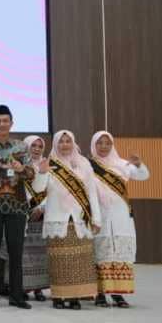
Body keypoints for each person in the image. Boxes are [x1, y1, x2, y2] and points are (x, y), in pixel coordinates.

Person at [0, 105, 48, 309]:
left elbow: (32, 176)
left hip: (17, 208)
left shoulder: (21, 148)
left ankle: (17, 296)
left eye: (5, 120)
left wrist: (21, 168)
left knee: (17, 253)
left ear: (11, 123)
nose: (1, 124)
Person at [41, 130, 100, 310]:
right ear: (56, 144)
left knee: (79, 259)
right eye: (61, 141)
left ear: (73, 143)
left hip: (80, 218)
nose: (64, 144)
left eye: (68, 141)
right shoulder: (50, 163)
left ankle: (75, 297)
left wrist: (97, 218)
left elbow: (91, 193)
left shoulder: (84, 164)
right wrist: (41, 173)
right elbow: (38, 189)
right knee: (59, 260)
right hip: (57, 218)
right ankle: (58, 296)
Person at [90, 131, 148, 308]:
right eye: (100, 143)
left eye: (107, 143)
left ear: (112, 144)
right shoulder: (88, 165)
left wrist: (139, 165)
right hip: (99, 214)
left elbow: (143, 176)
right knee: (100, 253)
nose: (104, 146)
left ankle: (118, 294)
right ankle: (99, 293)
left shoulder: (122, 164)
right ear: (94, 144)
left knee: (119, 253)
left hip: (121, 215)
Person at [14, 135, 51, 301]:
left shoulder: (48, 165)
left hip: (41, 214)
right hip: (23, 213)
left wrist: (42, 207)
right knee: (23, 254)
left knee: (40, 255)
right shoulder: (20, 165)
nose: (36, 149)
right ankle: (23, 287)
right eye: (33, 145)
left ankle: (38, 289)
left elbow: (51, 190)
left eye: (39, 146)